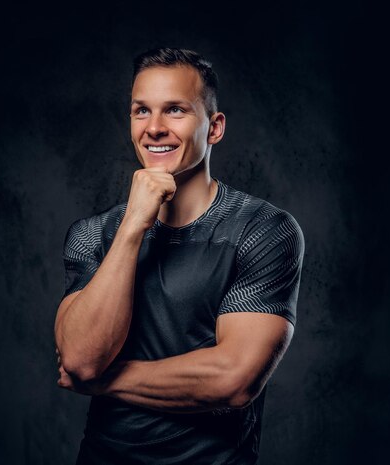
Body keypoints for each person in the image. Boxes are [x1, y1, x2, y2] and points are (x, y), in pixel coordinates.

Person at [54, 47, 304, 465]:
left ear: (214, 127)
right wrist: (134, 225)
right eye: (141, 111)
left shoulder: (261, 230)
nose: (154, 128)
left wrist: (103, 381)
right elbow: (81, 359)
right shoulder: (93, 234)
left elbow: (234, 379)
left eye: (175, 110)